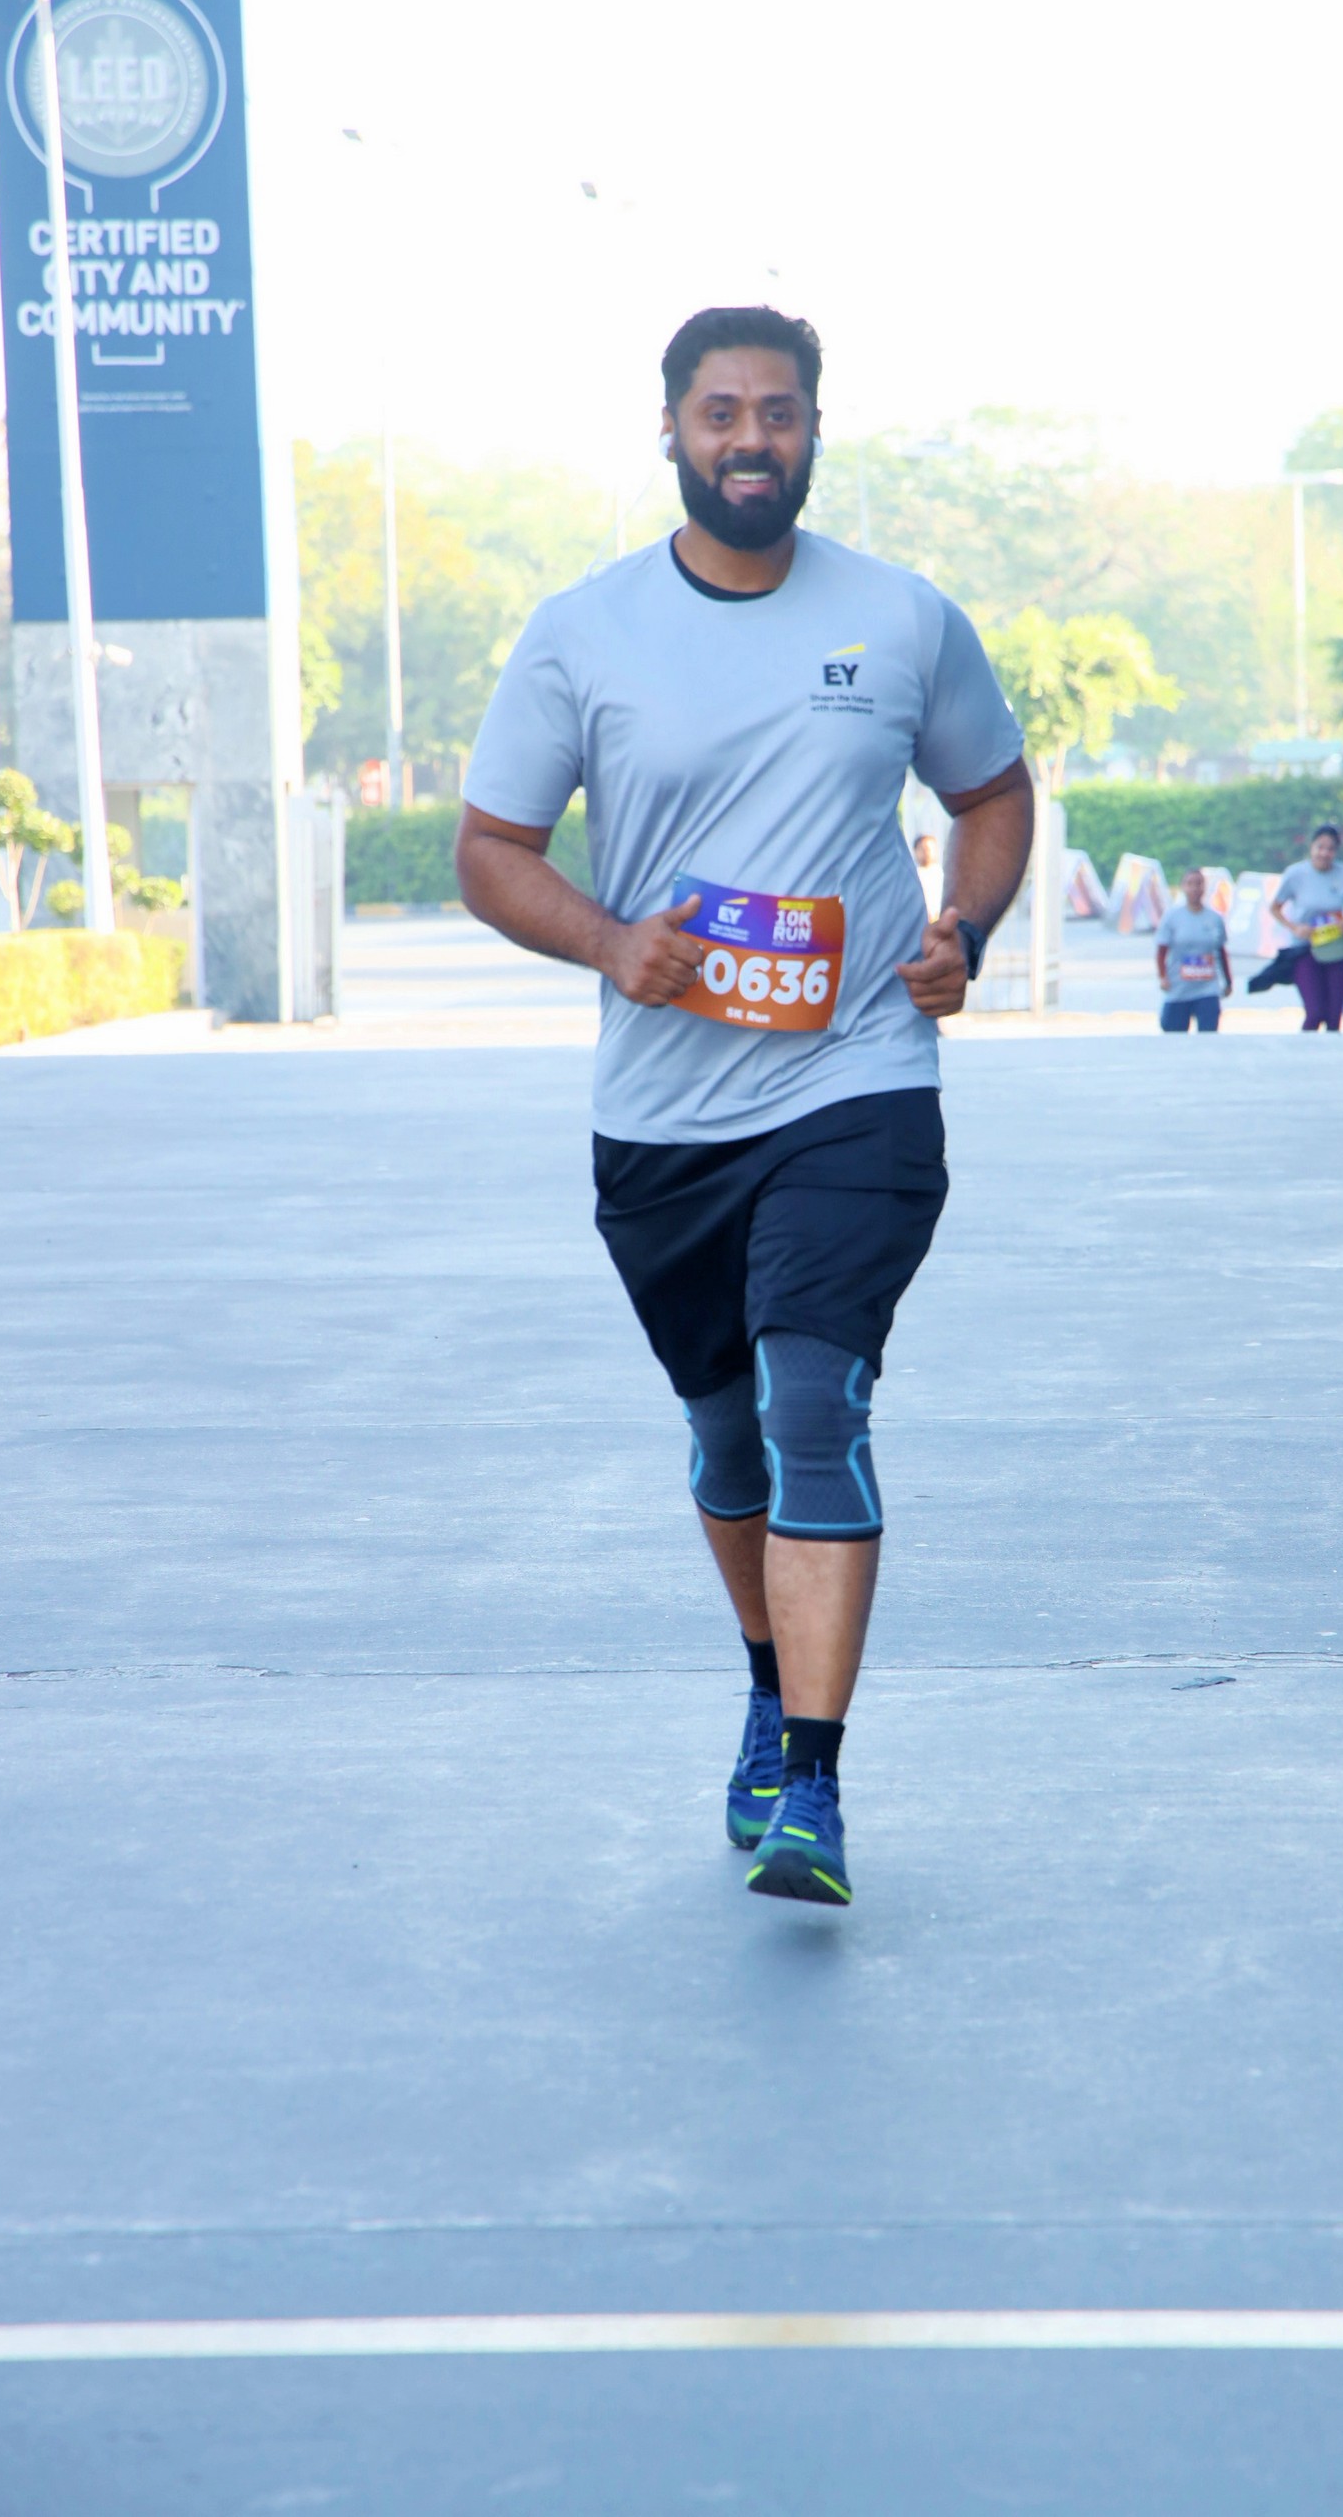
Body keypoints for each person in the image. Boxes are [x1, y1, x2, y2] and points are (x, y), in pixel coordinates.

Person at [454, 307, 1033, 1909]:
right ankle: (771, 1691)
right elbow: (490, 848)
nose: (750, 438)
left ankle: (816, 1788)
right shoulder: (585, 632)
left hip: (857, 1078)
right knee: (725, 1433)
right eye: (720, 412)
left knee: (811, 1406)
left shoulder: (901, 617)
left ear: (815, 430)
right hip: (663, 1118)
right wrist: (607, 942)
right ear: (671, 431)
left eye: (778, 411)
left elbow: (991, 793)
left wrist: (964, 928)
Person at [1270, 825, 1343, 1032]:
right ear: (1311, 847)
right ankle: (1304, 1048)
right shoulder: (1295, 874)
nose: (1324, 853)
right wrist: (1294, 927)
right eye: (1320, 847)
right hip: (1306, 948)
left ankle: (1331, 1050)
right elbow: (1275, 908)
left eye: (1330, 849)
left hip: (1335, 948)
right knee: (1315, 1011)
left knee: (1333, 1016)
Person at [1153, 867, 1231, 1031]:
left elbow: (1221, 952)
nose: (1195, 888)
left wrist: (1228, 981)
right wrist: (1163, 977)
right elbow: (1161, 951)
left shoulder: (1214, 919)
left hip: (1207, 988)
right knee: (1172, 1031)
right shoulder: (1172, 917)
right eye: (1190, 884)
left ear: (1204, 887)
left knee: (1208, 1034)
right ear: (1183, 887)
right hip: (1179, 987)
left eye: (1199, 883)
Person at [912, 830, 946, 921]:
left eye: (929, 848)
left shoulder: (943, 874)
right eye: (923, 849)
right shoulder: (912, 877)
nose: (926, 852)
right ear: (915, 851)